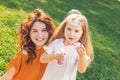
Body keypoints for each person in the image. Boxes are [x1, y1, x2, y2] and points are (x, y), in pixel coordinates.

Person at [0, 9, 55, 80]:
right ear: (29, 33)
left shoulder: (52, 51)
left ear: (49, 31)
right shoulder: (23, 55)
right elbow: (6, 78)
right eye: (35, 31)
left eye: (44, 30)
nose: (40, 35)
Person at [40, 9, 94, 80]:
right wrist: (55, 56)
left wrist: (82, 56)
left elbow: (81, 70)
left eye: (76, 31)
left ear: (82, 33)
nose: (72, 34)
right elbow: (42, 59)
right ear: (64, 29)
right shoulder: (57, 43)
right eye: (69, 29)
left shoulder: (79, 48)